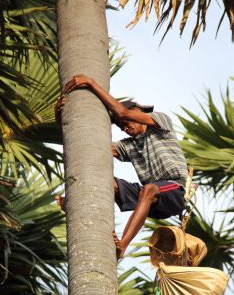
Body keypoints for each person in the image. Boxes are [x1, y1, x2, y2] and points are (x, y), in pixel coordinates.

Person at [55, 74, 188, 259]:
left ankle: (122, 247)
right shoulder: (130, 145)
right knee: (105, 181)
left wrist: (92, 83)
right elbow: (85, 146)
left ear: (138, 113)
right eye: (121, 127)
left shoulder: (160, 122)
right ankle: (75, 201)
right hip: (150, 198)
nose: (125, 128)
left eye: (126, 124)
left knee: (148, 190)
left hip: (175, 189)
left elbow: (122, 112)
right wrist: (62, 118)